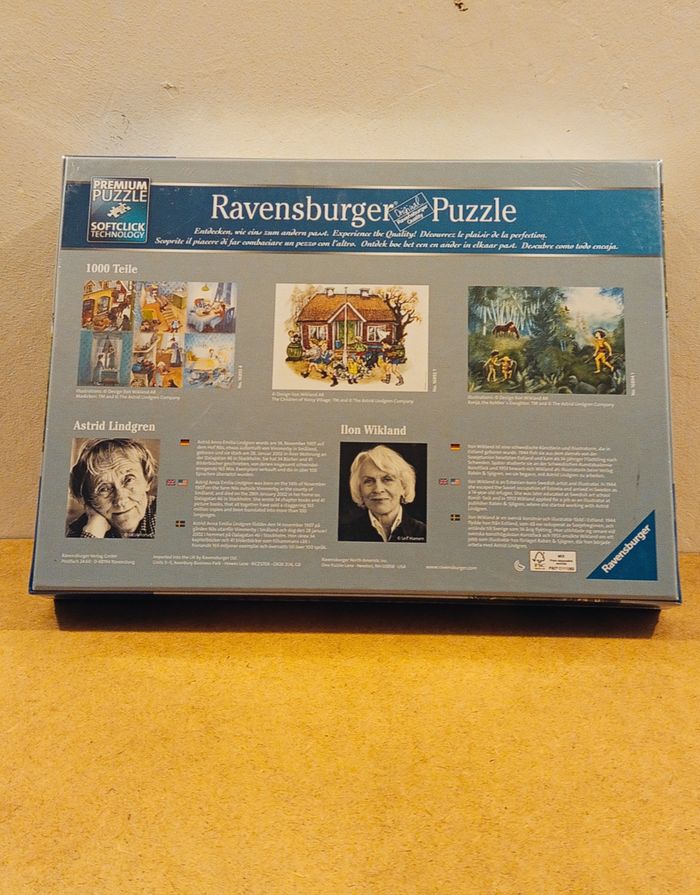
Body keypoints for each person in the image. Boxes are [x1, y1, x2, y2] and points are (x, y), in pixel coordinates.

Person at [66, 439, 157, 538]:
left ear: (147, 480)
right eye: (104, 489)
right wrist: (93, 532)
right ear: (87, 500)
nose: (120, 500)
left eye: (129, 480)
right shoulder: (80, 530)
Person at [339, 444, 426, 543]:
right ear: (359, 489)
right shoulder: (344, 533)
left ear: (403, 486)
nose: (378, 489)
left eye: (387, 479)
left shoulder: (424, 533)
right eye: (368, 481)